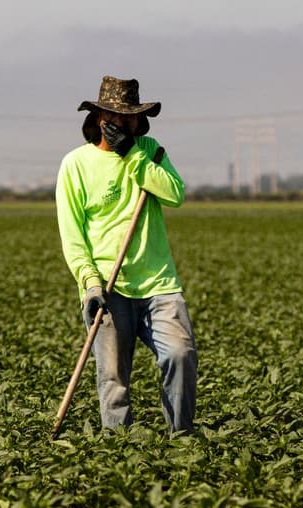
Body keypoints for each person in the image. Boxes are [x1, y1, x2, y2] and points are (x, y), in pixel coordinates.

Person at [55, 76, 197, 434]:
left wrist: (133, 156)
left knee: (180, 355)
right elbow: (73, 238)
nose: (125, 123)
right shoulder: (75, 165)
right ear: (100, 118)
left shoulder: (151, 152)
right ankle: (119, 449)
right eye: (117, 116)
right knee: (114, 378)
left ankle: (181, 438)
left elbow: (174, 194)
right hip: (108, 286)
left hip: (158, 284)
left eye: (131, 116)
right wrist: (89, 284)